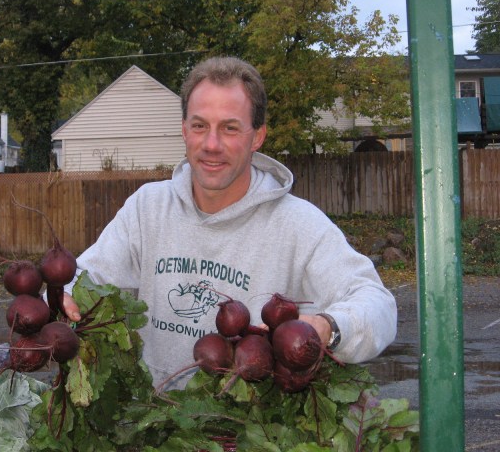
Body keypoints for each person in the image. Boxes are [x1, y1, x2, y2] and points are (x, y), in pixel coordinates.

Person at [62, 56, 397, 388]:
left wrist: (327, 328)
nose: (211, 145)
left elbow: (377, 304)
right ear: (184, 130)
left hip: (251, 419)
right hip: (151, 412)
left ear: (257, 136)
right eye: (199, 126)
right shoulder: (147, 208)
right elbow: (86, 279)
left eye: (230, 128)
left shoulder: (298, 224)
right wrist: (62, 299)